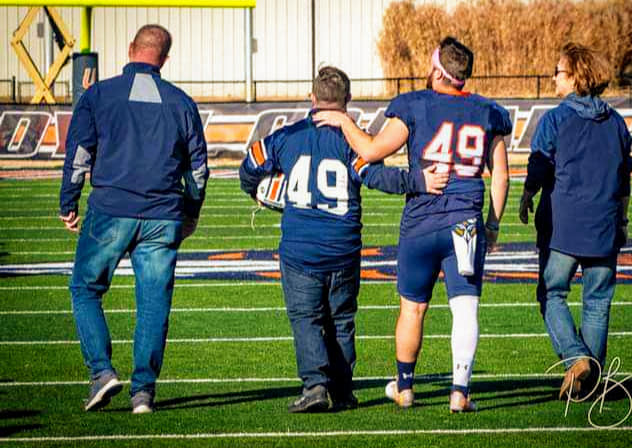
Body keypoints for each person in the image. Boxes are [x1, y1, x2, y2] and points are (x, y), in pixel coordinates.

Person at [314, 37, 511, 412]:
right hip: (464, 223)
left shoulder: (415, 104)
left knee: (412, 309)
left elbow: (371, 151)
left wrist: (343, 121)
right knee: (466, 308)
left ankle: (405, 387)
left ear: (438, 70)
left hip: (421, 221)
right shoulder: (488, 111)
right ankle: (459, 392)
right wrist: (493, 224)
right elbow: (500, 176)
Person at [239, 66, 448, 413]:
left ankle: (315, 385)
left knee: (306, 318)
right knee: (341, 320)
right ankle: (343, 390)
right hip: (343, 248)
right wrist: (419, 181)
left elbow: (251, 163)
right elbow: (379, 177)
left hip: (300, 250)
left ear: (312, 99)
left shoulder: (286, 136)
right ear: (347, 101)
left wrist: (257, 192)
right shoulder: (353, 142)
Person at [58, 24, 208, 414]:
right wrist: (190, 213)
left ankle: (101, 371)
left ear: (130, 49)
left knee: (85, 288)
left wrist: (68, 200)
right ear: (165, 58)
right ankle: (144, 392)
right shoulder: (182, 102)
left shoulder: (99, 95)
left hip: (112, 210)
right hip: (162, 215)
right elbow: (198, 170)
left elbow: (79, 153)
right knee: (154, 304)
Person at [518, 42, 632, 399]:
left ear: (576, 76)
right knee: (597, 300)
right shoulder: (616, 122)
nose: (553, 77)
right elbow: (625, 177)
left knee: (551, 293)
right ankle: (589, 383)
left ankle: (576, 357)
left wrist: (526, 196)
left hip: (563, 226)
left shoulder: (555, 118)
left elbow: (538, 165)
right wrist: (623, 220)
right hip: (604, 224)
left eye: (559, 71)